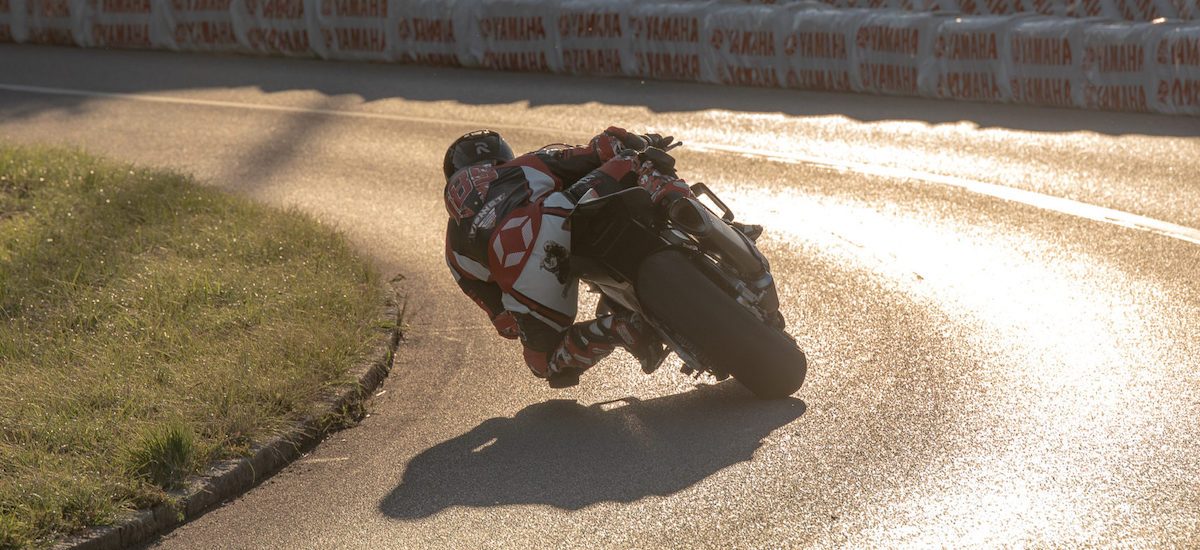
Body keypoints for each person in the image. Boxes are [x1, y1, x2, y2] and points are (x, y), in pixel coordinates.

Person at [443, 127, 694, 386]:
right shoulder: (525, 164)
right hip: (558, 216)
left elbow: (506, 325)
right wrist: (642, 140)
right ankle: (683, 209)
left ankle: (619, 330)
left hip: (525, 281)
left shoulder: (453, 250)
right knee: (634, 158)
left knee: (543, 363)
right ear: (502, 155)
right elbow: (602, 148)